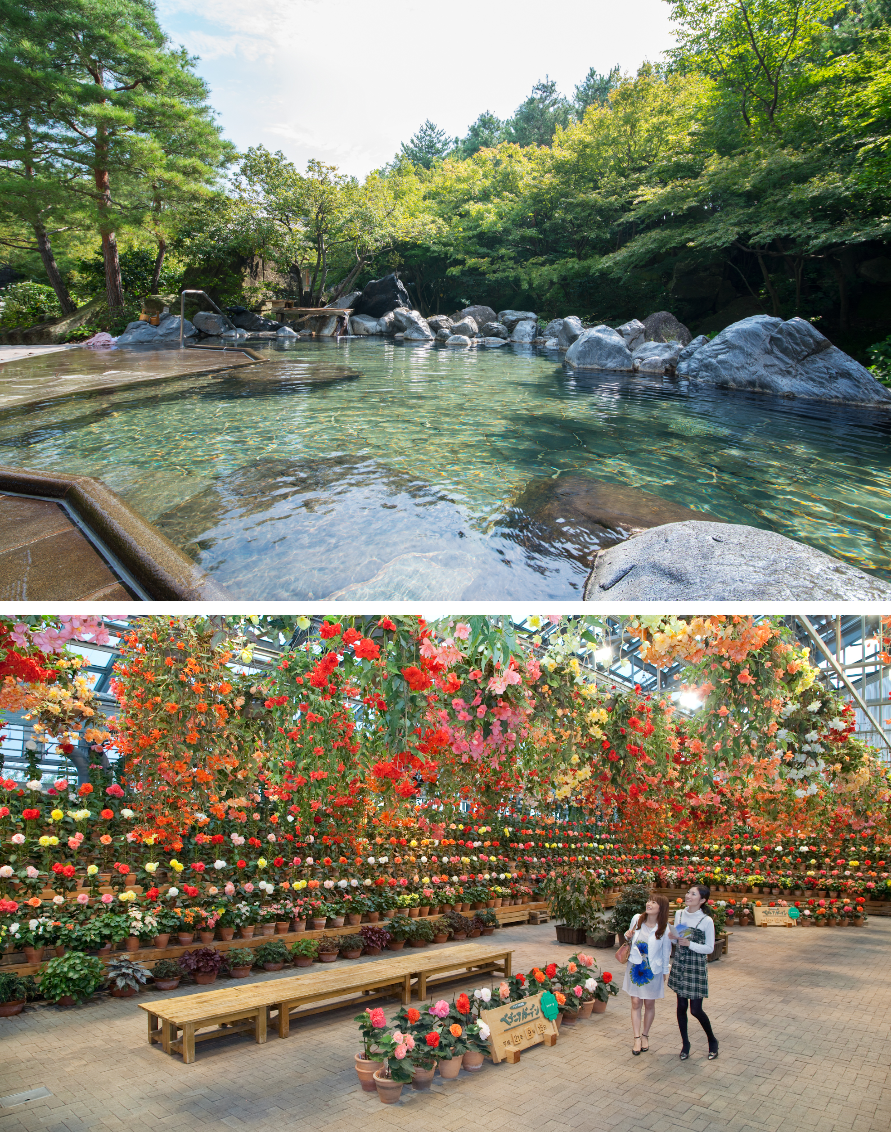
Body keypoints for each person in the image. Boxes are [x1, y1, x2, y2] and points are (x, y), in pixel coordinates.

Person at [667, 884, 719, 1060]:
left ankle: (712, 1040)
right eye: (688, 892)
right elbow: (677, 940)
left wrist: (690, 944)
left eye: (693, 894)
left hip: (696, 966)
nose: (688, 895)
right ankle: (685, 1044)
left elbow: (710, 948)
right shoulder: (680, 914)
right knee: (681, 1006)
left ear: (702, 900)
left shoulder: (706, 921)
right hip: (680, 963)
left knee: (695, 1009)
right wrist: (673, 939)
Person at [621, 894, 672, 1054]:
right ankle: (636, 1038)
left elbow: (666, 952)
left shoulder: (664, 928)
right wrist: (627, 936)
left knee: (649, 1004)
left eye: (654, 902)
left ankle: (645, 1035)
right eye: (649, 901)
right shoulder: (637, 919)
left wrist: (665, 971)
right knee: (636, 1002)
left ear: (661, 908)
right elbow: (629, 937)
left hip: (653, 970)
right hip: (635, 966)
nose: (649, 904)